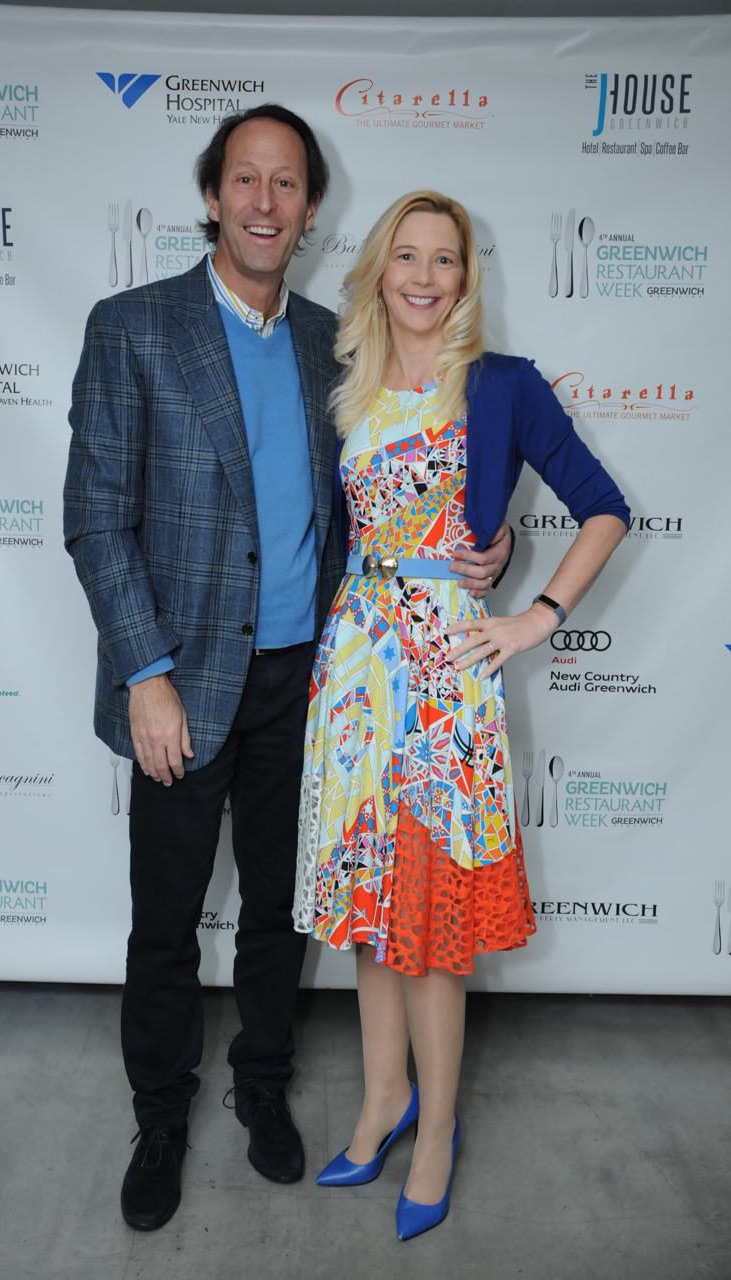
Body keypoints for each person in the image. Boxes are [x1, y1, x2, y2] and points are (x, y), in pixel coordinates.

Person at [64, 117, 513, 1233]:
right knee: (166, 919)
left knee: (281, 909)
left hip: (314, 686)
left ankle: (262, 1088)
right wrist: (145, 674)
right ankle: (159, 1117)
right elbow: (95, 517)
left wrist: (490, 545)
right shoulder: (133, 326)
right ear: (213, 195)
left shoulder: (333, 342)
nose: (264, 203)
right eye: (245, 181)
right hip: (181, 684)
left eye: (287, 185)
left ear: (311, 209)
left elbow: (396, 498)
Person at [294, 191, 629, 1241]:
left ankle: (436, 1130)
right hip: (356, 671)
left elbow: (603, 506)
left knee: (434, 920)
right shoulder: (345, 380)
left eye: (445, 259)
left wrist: (533, 616)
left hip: (447, 672)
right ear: (379, 268)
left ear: (466, 277)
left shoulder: (502, 384)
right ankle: (381, 1102)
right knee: (370, 904)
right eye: (408, 255)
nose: (425, 277)